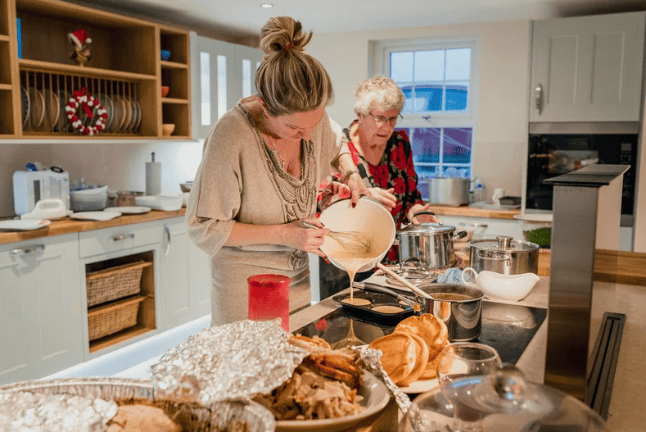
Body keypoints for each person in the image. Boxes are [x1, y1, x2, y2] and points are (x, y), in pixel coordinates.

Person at [186, 17, 367, 326]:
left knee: (295, 364)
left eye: (314, 123)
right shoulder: (233, 136)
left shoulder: (311, 119)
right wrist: (284, 234)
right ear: (266, 107)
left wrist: (351, 174)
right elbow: (203, 226)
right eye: (295, 128)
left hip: (296, 278)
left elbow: (336, 143)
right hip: (245, 286)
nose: (308, 137)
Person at [318, 76, 439, 298]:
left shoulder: (399, 144)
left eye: (394, 119)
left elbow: (411, 195)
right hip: (345, 259)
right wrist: (364, 200)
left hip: (390, 261)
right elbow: (324, 202)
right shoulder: (337, 148)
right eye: (381, 118)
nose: (388, 126)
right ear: (360, 114)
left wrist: (418, 212)